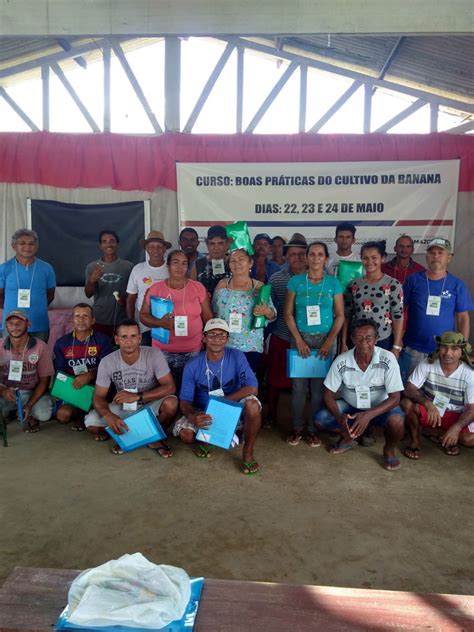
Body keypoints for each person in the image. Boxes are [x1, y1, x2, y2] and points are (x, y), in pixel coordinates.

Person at [313, 318, 405, 471]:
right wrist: (340, 419)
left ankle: (388, 450)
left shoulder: (388, 359)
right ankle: (349, 437)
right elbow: (328, 394)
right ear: (352, 339)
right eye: (359, 338)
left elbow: (396, 398)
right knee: (320, 419)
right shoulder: (342, 361)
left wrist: (368, 415)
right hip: (351, 407)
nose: (364, 342)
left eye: (369, 338)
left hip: (379, 408)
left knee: (398, 422)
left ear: (376, 339)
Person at [175, 318, 261, 474]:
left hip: (232, 407)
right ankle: (215, 435)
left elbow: (252, 387)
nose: (217, 339)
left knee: (253, 405)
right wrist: (192, 416)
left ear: (227, 338)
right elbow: (185, 401)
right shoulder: (193, 364)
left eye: (222, 335)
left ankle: (247, 451)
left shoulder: (237, 356)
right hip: (204, 410)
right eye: (212, 334)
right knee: (186, 435)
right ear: (204, 338)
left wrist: (222, 403)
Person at [84, 319, 178, 454]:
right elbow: (98, 396)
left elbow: (170, 387)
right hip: (124, 408)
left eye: (133, 336)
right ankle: (138, 434)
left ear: (140, 338)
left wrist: (137, 396)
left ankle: (142, 438)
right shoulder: (107, 361)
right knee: (91, 423)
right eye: (124, 337)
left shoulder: (154, 354)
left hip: (149, 405)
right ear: (116, 340)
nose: (129, 340)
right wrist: (108, 415)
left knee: (171, 403)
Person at [284, 241, 344, 445]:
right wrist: (299, 340)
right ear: (307, 257)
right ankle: (298, 428)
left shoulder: (334, 283)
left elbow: (340, 315)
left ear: (326, 258)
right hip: (301, 339)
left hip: (325, 340)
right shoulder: (296, 282)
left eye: (320, 254)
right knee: (299, 388)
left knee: (318, 389)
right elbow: (288, 313)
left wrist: (328, 342)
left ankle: (313, 429)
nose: (316, 258)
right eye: (312, 254)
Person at [140, 250, 213, 392]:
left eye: (184, 263)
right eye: (175, 263)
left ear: (188, 267)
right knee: (166, 393)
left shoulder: (197, 288)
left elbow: (208, 317)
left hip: (193, 351)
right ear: (168, 266)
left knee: (189, 391)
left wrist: (208, 343)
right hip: (162, 352)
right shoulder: (155, 289)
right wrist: (160, 323)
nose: (180, 267)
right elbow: (143, 316)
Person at [403, 238, 472, 373]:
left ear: (449, 257)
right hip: (413, 347)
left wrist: (460, 348)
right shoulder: (413, 280)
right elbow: (399, 310)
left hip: (444, 350)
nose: (436, 256)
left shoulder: (457, 284)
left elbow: (463, 317)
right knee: (409, 389)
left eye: (440, 253)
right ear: (427, 257)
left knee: (436, 390)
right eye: (432, 253)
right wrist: (398, 339)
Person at [401, 332, 473, 459]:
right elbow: (409, 389)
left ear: (462, 351)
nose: (448, 353)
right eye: (444, 347)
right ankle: (415, 441)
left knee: (469, 440)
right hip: (432, 413)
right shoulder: (427, 363)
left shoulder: (469, 373)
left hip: (456, 415)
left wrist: (456, 428)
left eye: (454, 349)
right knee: (406, 403)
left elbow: (471, 409)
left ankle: (441, 433)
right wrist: (427, 403)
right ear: (439, 348)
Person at [265, 236, 308, 429]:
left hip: (309, 340)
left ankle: (304, 422)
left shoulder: (319, 278)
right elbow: (270, 310)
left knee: (306, 385)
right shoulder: (276, 278)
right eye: (292, 254)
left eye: (301, 254)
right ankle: (271, 417)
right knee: (275, 381)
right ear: (286, 257)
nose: (297, 257)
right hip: (282, 336)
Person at [213, 248, 276, 374]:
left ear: (250, 263)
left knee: (247, 386)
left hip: (250, 346)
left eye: (241, 259)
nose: (237, 263)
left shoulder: (259, 287)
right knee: (224, 385)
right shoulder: (222, 285)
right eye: (233, 261)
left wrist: (265, 311)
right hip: (223, 345)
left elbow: (273, 315)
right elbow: (214, 312)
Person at [53, 303, 113, 430]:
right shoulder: (62, 343)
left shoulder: (103, 340)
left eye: (86, 316)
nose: (81, 320)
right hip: (73, 387)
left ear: (93, 320)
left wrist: (90, 375)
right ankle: (81, 412)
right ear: (72, 320)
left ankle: (86, 415)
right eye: (77, 316)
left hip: (97, 387)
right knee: (63, 415)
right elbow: (60, 372)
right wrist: (74, 383)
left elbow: (109, 369)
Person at [342, 241, 404, 356]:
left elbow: (398, 316)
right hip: (358, 341)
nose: (370, 262)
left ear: (383, 258)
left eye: (374, 257)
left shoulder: (393, 284)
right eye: (365, 258)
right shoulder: (353, 285)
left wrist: (396, 346)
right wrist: (343, 342)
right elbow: (347, 315)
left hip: (383, 340)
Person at [0, 310, 53, 432]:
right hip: (6, 392)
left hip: (30, 392)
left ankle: (25, 412)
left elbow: (45, 381)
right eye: (11, 323)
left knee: (44, 414)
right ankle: (14, 412)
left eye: (19, 323)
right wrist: (2, 390)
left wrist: (30, 405)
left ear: (28, 324)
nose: (15, 327)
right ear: (6, 326)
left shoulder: (41, 347)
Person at [0, 229, 56, 341]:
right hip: (11, 326)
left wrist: (37, 306)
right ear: (14, 246)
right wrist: (12, 309)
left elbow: (50, 295)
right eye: (22, 243)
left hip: (39, 325)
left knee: (38, 357)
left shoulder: (46, 268)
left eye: (31, 243)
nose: (27, 247)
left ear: (37, 247)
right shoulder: (4, 268)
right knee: (10, 358)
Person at [84, 230, 133, 339]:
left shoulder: (128, 267)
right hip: (99, 318)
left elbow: (133, 295)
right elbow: (88, 294)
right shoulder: (92, 267)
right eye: (104, 241)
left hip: (122, 319)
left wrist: (124, 300)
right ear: (100, 246)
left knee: (122, 352)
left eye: (112, 241)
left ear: (117, 244)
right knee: (101, 352)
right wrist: (91, 281)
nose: (108, 244)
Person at [126, 231, 171, 346]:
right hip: (144, 326)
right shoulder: (138, 269)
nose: (155, 250)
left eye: (159, 247)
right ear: (146, 248)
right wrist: (131, 323)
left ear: (165, 249)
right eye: (151, 246)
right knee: (145, 358)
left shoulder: (171, 269)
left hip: (167, 324)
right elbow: (131, 299)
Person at [190, 225, 230, 296]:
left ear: (226, 244)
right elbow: (191, 290)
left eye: (220, 243)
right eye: (212, 243)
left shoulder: (233, 263)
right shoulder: (199, 264)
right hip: (203, 306)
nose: (216, 248)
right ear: (207, 244)